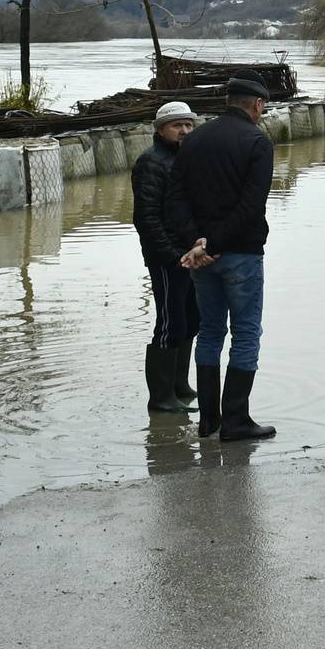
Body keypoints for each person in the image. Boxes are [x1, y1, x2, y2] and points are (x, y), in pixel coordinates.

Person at [167, 70, 277, 443]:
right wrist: (212, 243)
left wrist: (196, 243)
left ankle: (207, 422)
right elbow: (251, 207)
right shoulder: (257, 142)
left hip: (201, 259)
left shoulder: (193, 140)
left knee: (210, 332)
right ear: (258, 105)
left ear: (228, 101)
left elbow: (175, 199)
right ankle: (236, 421)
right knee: (246, 333)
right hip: (240, 254)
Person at [132, 100, 201, 414]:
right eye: (177, 125)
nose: (184, 130)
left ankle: (179, 385)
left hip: (190, 255)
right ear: (160, 129)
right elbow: (146, 218)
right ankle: (160, 398)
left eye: (188, 125)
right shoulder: (151, 162)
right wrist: (173, 256)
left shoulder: (187, 158)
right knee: (169, 322)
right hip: (166, 258)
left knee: (191, 319)